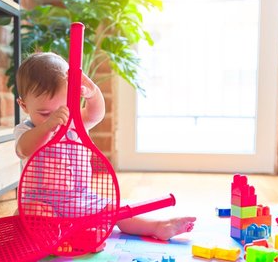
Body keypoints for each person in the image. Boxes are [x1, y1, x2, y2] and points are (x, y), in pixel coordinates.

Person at [14, 52, 196, 241]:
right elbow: (24, 149)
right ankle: (59, 236)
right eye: (45, 113)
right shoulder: (26, 130)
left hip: (79, 199)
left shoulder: (75, 122)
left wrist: (92, 93)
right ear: (24, 105)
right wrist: (46, 126)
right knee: (24, 213)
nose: (58, 118)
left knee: (115, 209)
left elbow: (95, 114)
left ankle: (157, 226)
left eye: (64, 109)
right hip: (42, 204)